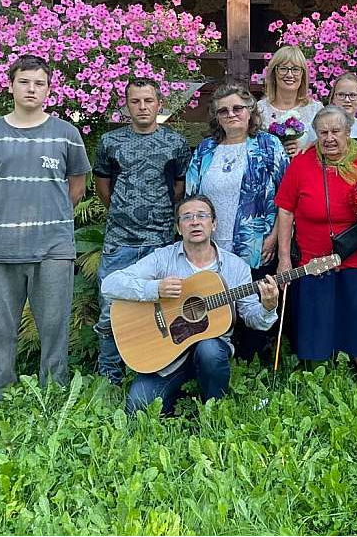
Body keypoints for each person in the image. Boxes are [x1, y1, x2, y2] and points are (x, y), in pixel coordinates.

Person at [0, 54, 91, 399]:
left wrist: (52, 213)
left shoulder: (66, 134)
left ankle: (53, 391)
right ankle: (1, 393)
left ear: (49, 90)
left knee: (54, 326)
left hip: (53, 247)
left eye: (39, 83)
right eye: (25, 82)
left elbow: (77, 186)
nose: (32, 89)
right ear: (10, 85)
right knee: (0, 327)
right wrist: (8, 208)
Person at [101, 195, 280, 415]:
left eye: (202, 216)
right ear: (178, 227)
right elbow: (110, 284)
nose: (195, 221)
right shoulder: (162, 259)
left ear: (213, 224)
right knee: (137, 409)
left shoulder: (236, 267)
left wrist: (268, 307)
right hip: (166, 357)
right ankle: (177, 398)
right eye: (187, 217)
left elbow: (254, 318)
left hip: (211, 355)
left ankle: (213, 413)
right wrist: (154, 289)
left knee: (209, 348)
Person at [275, 106, 357, 385]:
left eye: (336, 131)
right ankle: (319, 378)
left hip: (354, 251)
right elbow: (286, 210)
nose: (329, 138)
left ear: (349, 132)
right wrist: (284, 258)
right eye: (323, 132)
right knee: (316, 315)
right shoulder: (302, 163)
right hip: (314, 255)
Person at [92, 78, 191, 384]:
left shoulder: (176, 144)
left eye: (148, 100)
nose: (143, 107)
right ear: (126, 105)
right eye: (135, 101)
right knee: (111, 309)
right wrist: (123, 212)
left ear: (159, 103)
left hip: (160, 241)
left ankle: (151, 368)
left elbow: (179, 189)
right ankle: (109, 375)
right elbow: (103, 186)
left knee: (158, 310)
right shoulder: (111, 143)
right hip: (119, 241)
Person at [185, 83, 289, 360]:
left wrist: (276, 235)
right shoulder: (206, 149)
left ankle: (252, 364)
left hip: (257, 241)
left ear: (250, 111)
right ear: (216, 117)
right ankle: (219, 359)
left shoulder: (269, 145)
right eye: (223, 111)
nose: (231, 114)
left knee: (255, 302)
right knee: (218, 303)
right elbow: (192, 195)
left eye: (237, 108)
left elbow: (286, 196)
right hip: (212, 245)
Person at [257, 45, 323, 156]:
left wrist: (307, 147)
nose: (289, 74)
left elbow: (326, 144)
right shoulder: (260, 109)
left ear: (303, 74)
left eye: (295, 69)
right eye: (283, 69)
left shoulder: (316, 109)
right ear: (274, 73)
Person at [330, 72, 357, 143]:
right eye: (341, 94)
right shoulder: (323, 125)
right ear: (333, 98)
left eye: (353, 95)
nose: (347, 100)